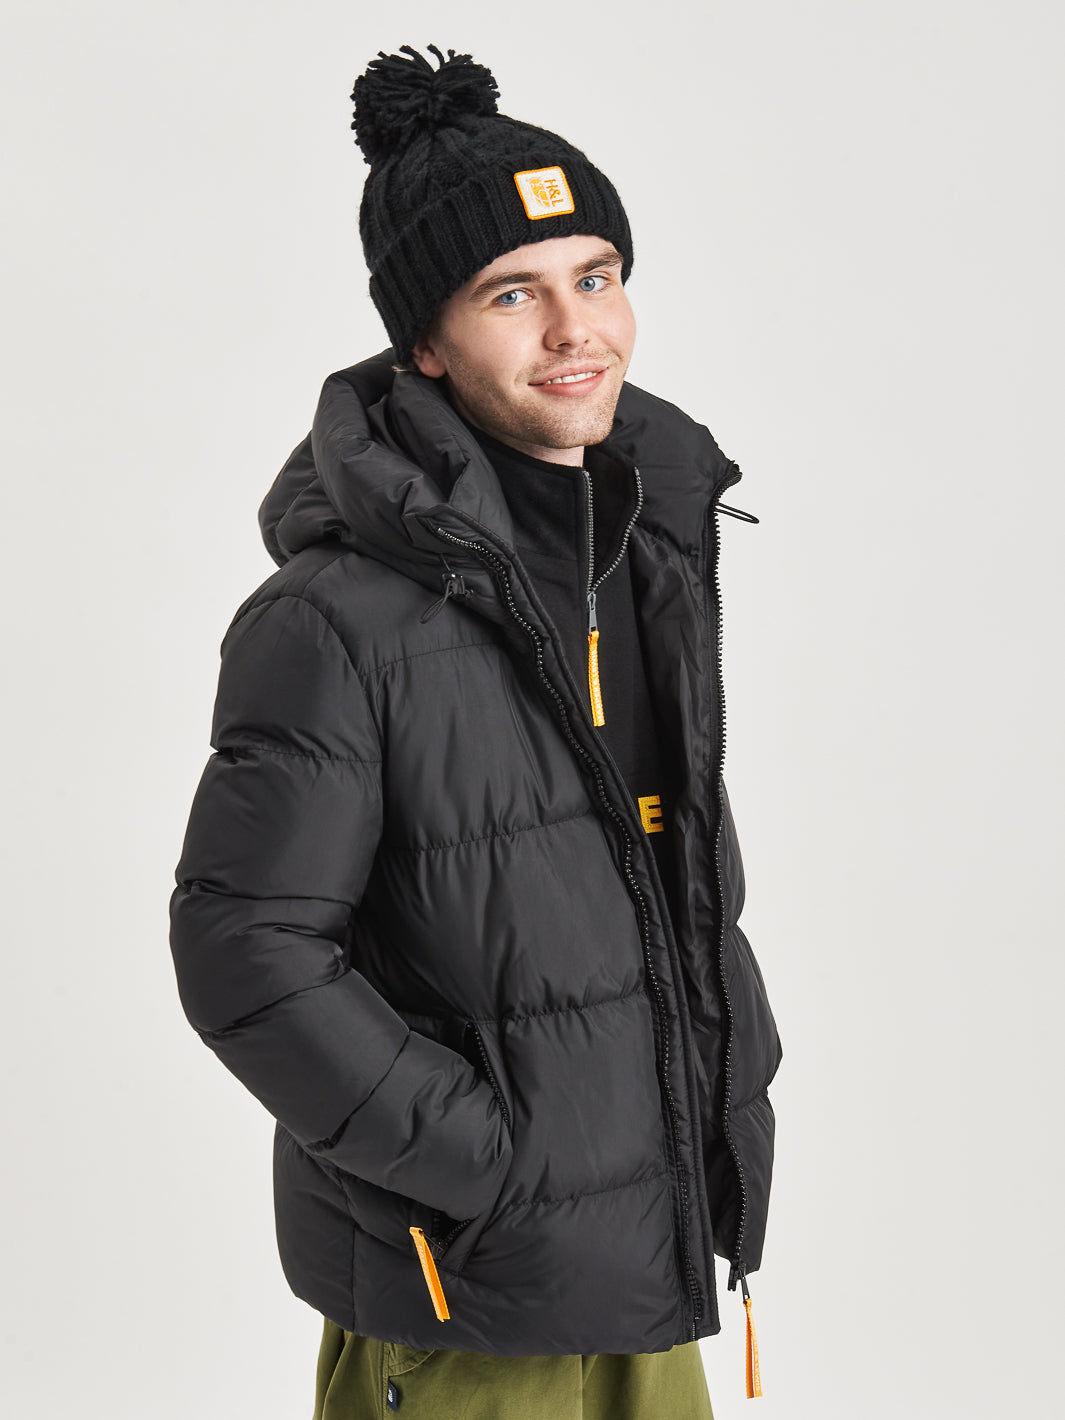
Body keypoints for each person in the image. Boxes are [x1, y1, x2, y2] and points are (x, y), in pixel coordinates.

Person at [169, 41, 783, 1419]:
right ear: (426, 344)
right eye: (514, 294)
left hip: (652, 1259)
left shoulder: (639, 561)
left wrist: (721, 1091)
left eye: (596, 278)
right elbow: (243, 949)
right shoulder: (332, 620)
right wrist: (486, 1162)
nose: (576, 332)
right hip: (468, 1296)